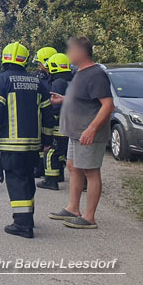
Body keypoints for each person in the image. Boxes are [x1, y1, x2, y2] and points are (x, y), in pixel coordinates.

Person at [0, 42, 55, 238]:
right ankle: (28, 218)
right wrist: (48, 139)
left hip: (11, 144)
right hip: (34, 145)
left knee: (16, 181)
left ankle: (22, 225)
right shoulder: (37, 83)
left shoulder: (2, 80)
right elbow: (48, 114)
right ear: (24, 59)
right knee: (27, 179)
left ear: (5, 58)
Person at [49, 37, 114, 229]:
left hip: (88, 133)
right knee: (72, 166)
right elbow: (85, 97)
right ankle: (73, 208)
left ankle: (89, 217)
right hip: (76, 132)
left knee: (91, 171)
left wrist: (92, 128)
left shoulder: (96, 74)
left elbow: (108, 105)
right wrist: (63, 99)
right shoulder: (79, 73)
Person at [38, 53, 73, 190]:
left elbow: (54, 105)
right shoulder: (72, 80)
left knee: (51, 151)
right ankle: (59, 175)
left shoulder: (58, 83)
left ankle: (50, 180)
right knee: (63, 153)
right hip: (72, 123)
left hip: (60, 124)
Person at [33, 46, 57, 178]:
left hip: (54, 115)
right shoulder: (37, 76)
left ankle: (53, 173)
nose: (38, 65)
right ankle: (39, 168)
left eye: (40, 62)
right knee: (41, 143)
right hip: (41, 115)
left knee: (52, 146)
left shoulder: (57, 78)